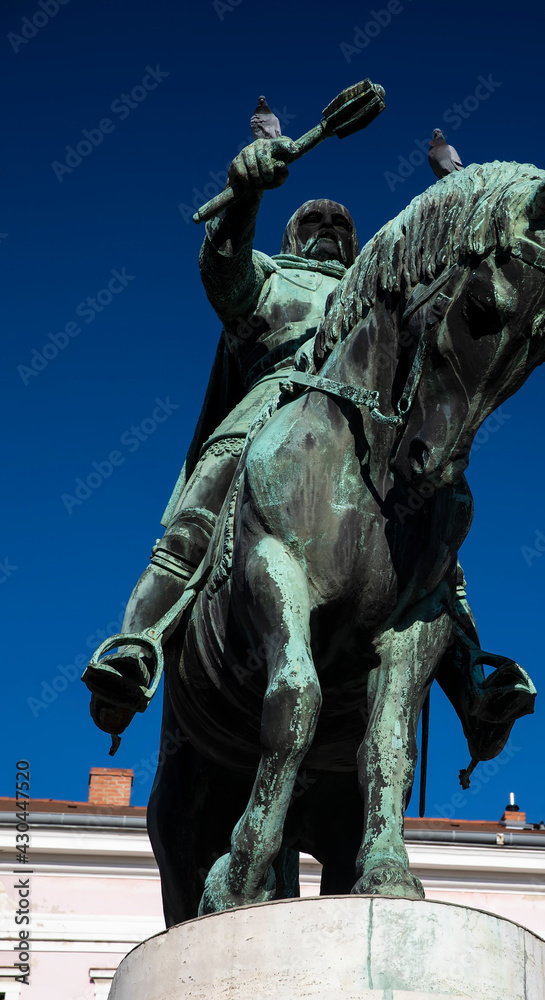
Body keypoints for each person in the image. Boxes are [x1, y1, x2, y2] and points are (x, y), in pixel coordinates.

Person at [83, 136, 359, 735]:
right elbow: (225, 272)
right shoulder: (272, 278)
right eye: (315, 218)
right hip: (264, 413)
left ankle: (470, 669)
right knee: (201, 513)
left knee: (432, 522)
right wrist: (246, 195)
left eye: (341, 221)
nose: (330, 226)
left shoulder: (374, 295)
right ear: (291, 235)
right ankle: (136, 648)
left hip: (361, 434)